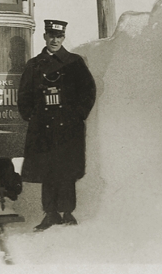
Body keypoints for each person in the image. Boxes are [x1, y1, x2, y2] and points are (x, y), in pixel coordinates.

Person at [18, 19, 97, 231]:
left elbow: (88, 91)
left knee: (67, 170)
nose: (55, 40)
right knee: (47, 171)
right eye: (51, 36)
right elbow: (24, 95)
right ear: (44, 37)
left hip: (68, 128)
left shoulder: (74, 62)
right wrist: (31, 116)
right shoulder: (34, 65)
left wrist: (78, 114)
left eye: (59, 36)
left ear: (63, 38)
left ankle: (68, 212)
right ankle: (50, 213)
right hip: (43, 128)